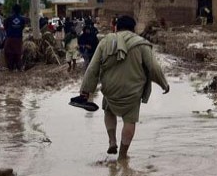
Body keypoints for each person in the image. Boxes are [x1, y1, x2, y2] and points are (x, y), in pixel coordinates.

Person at [72, 15, 169, 160]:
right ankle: (123, 155)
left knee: (109, 111)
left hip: (110, 89)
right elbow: (153, 68)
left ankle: (112, 141)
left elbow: (93, 67)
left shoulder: (105, 42)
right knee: (129, 121)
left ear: (116, 27)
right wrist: (163, 83)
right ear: (134, 29)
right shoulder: (142, 44)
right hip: (133, 90)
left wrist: (85, 92)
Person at [3, 4, 26, 72]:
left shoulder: (9, 18)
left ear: (12, 10)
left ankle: (11, 68)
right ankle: (19, 68)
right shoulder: (22, 19)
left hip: (10, 38)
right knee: (18, 53)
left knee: (8, 53)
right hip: (18, 39)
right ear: (20, 10)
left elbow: (5, 26)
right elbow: (22, 27)